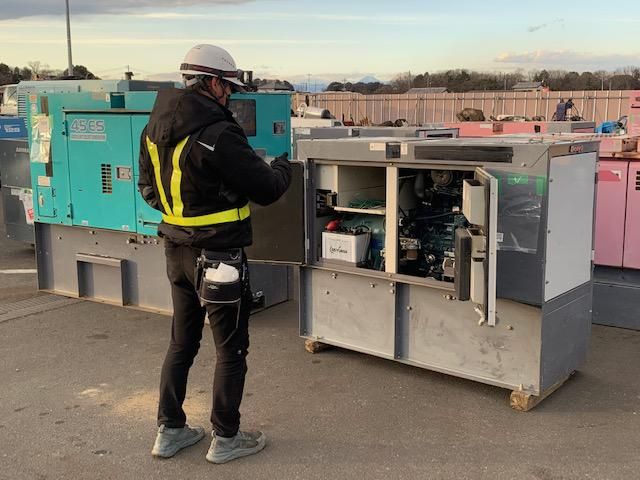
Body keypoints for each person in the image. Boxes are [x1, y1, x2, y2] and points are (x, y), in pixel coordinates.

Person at [138, 44, 291, 464]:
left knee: (182, 342)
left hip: (176, 251)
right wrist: (282, 166)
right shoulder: (219, 134)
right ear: (211, 83)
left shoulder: (152, 130)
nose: (231, 94)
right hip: (220, 254)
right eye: (229, 86)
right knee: (231, 349)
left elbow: (148, 189)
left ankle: (170, 431)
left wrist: (189, 211)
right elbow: (267, 189)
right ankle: (226, 438)